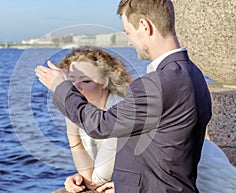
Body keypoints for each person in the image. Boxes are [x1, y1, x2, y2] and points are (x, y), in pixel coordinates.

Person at [36, 0, 212, 192]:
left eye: (128, 32)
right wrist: (124, 185)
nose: (128, 41)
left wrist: (62, 87)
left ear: (145, 26)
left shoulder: (159, 83)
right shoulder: (192, 73)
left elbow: (101, 126)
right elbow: (163, 151)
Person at [58, 47, 131, 192]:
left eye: (85, 81)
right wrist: (77, 178)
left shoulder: (120, 113)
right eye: (71, 81)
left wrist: (72, 134)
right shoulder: (86, 113)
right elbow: (90, 173)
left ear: (104, 82)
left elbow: (95, 181)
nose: (76, 88)